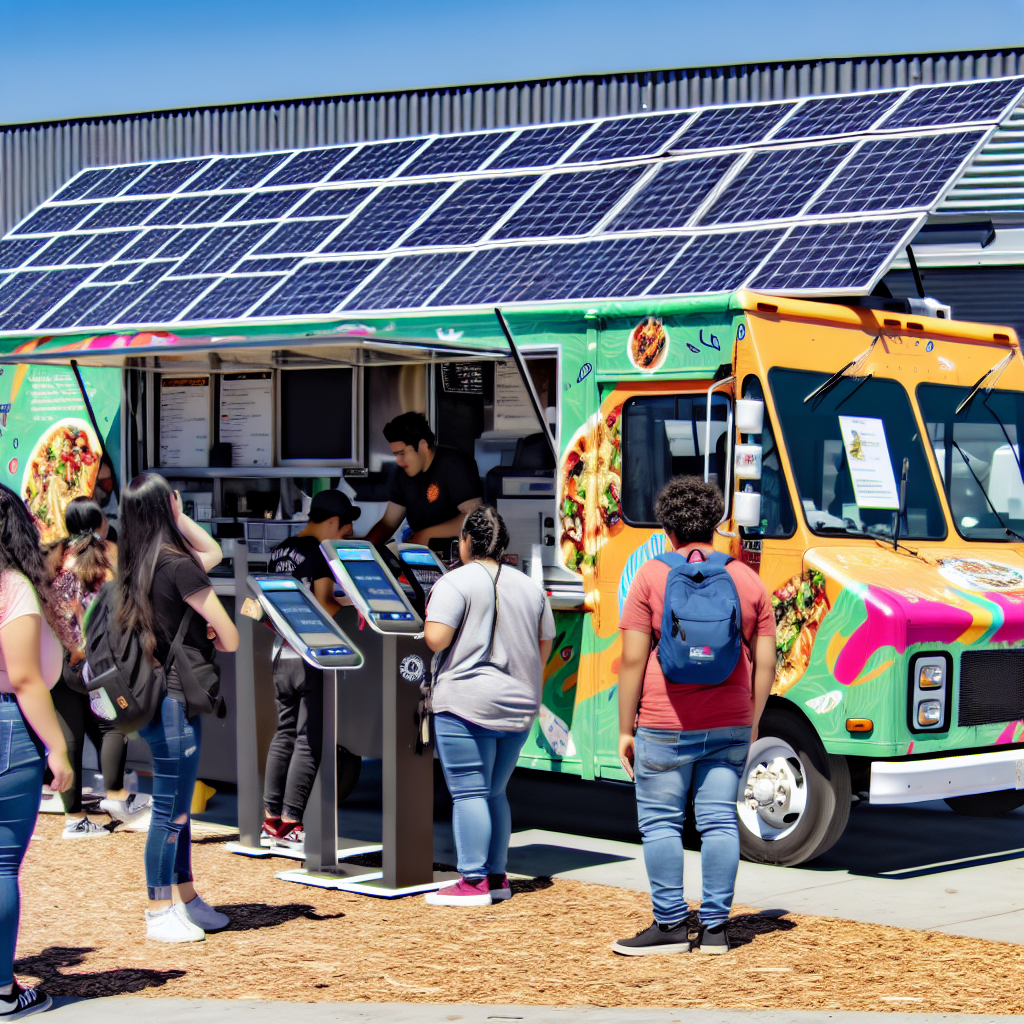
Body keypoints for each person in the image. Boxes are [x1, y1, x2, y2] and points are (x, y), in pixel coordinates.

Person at [612, 476, 775, 956]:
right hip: (729, 722)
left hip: (664, 722)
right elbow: (765, 662)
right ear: (716, 523)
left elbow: (632, 661)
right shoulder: (747, 579)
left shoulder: (650, 576)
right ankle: (715, 930)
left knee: (661, 823)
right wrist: (753, 718)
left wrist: (626, 728)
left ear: (667, 529)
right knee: (720, 822)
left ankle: (667, 927)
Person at [117, 473, 239, 943]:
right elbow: (227, 636)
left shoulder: (133, 563)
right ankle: (158, 908)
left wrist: (171, 513)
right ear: (166, 506)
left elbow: (213, 555)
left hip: (149, 699)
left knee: (178, 810)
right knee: (170, 812)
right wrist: (178, 514)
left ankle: (186, 897)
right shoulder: (178, 565)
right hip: (174, 703)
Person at [423, 506, 555, 907]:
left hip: (465, 702)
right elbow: (543, 643)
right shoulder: (530, 587)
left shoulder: (455, 582)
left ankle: (473, 881)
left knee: (469, 793)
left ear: (465, 540)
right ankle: (497, 877)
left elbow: (437, 639)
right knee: (495, 792)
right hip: (518, 705)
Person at [0, 484, 74, 1017]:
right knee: (2, 867)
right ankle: (4, 993)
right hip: (8, 727)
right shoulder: (13, 587)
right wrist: (59, 747)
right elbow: (27, 680)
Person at [262, 490, 360, 847]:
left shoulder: (279, 552)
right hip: (309, 656)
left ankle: (271, 821)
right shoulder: (318, 554)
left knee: (283, 733)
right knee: (309, 740)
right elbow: (324, 606)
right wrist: (353, 601)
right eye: (344, 531)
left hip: (279, 655)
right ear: (333, 522)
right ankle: (291, 824)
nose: (342, 538)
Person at [47, 497, 150, 838]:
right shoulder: (110, 556)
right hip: (99, 664)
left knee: (70, 738)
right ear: (101, 521)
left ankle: (74, 819)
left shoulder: (56, 558)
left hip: (63, 662)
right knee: (112, 727)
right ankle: (118, 797)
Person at [365, 412, 483, 548]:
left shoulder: (454, 464)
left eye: (402, 453)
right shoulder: (402, 474)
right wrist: (364, 548)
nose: (398, 461)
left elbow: (474, 519)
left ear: (422, 445)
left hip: (458, 556)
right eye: (395, 455)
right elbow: (388, 524)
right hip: (421, 555)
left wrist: (424, 535)